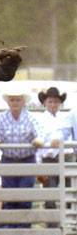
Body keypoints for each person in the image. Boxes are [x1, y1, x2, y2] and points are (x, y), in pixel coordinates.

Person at [0, 86, 44, 230]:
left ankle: (23, 230)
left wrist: (38, 139)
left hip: (27, 160)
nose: (15, 102)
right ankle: (11, 230)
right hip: (8, 160)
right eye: (12, 100)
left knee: (25, 194)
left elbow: (40, 132)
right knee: (9, 194)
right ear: (8, 102)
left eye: (18, 100)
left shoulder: (31, 118)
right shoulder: (1, 118)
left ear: (23, 102)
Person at [37, 87, 68, 220]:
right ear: (45, 103)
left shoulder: (66, 118)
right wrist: (38, 165)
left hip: (65, 157)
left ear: (59, 103)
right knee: (50, 195)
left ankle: (70, 226)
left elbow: (69, 136)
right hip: (48, 158)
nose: (53, 104)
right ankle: (53, 227)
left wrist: (60, 141)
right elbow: (37, 140)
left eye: (56, 102)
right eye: (50, 101)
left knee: (69, 193)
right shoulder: (39, 119)